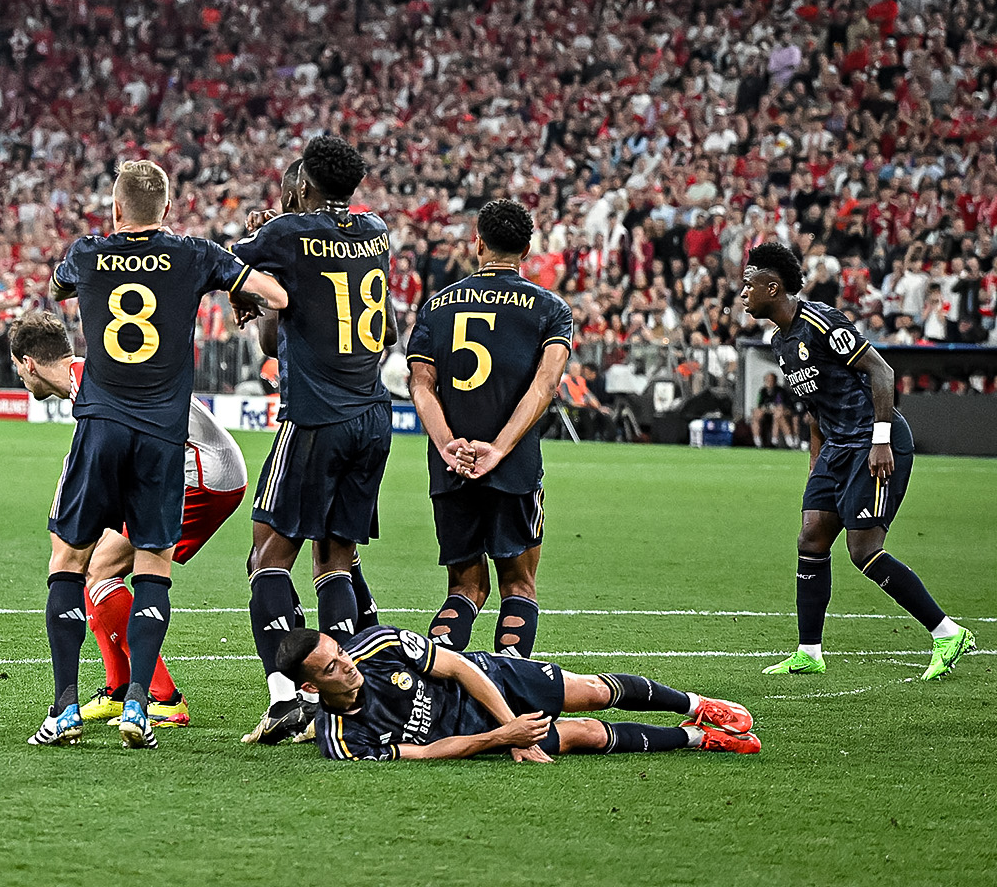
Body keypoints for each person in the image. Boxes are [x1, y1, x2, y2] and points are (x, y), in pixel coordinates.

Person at [29, 160, 287, 750]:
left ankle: (64, 708)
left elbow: (59, 285)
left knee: (69, 562)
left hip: (100, 425)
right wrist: (244, 293)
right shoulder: (194, 254)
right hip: (162, 435)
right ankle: (141, 707)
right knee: (152, 565)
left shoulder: (87, 252)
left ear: (116, 208)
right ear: (166, 211)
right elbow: (274, 293)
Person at [738, 243, 975, 680]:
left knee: (863, 550)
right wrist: (816, 464)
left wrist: (880, 441)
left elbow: (882, 372)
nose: (743, 293)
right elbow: (815, 409)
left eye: (749, 284)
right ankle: (809, 651)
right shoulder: (780, 340)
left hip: (874, 441)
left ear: (773, 287)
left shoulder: (819, 320)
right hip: (836, 448)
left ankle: (947, 632)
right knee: (811, 538)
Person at [227, 140, 398, 744]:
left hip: (314, 418)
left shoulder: (289, 232)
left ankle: (282, 698)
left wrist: (255, 272)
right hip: (373, 418)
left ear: (302, 187)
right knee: (337, 561)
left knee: (266, 556)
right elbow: (381, 329)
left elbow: (228, 267)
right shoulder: (376, 230)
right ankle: (343, 705)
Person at [9, 308, 248, 730]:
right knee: (94, 564)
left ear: (29, 363)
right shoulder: (93, 375)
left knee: (99, 567)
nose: (20, 379)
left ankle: (164, 697)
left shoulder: (93, 381)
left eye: (17, 369)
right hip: (194, 464)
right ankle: (119, 689)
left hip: (202, 472)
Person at [405, 199, 574, 659]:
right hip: (514, 465)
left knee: (464, 587)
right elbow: (545, 385)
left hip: (451, 464)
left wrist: (446, 446)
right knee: (518, 583)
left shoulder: (437, 306)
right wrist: (498, 449)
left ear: (477, 243)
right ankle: (512, 689)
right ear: (527, 248)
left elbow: (421, 385)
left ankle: (437, 684)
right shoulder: (550, 309)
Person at [274, 625, 761, 761]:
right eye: (333, 667)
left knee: (589, 692)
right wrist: (502, 737)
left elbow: (461, 668)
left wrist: (515, 728)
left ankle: (697, 705)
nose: (348, 665)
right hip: (476, 732)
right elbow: (424, 752)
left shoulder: (375, 645)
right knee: (585, 735)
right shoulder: (341, 740)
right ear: (311, 687)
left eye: (340, 652)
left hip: (491, 681)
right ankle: (698, 738)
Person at [754, 371, 799, 449]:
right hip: (768, 413)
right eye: (767, 380)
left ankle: (786, 441)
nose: (769, 382)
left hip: (785, 412)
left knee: (778, 415)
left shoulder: (780, 391)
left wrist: (770, 409)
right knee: (756, 414)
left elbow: (780, 406)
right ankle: (757, 441)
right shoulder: (763, 391)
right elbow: (760, 405)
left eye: (771, 380)